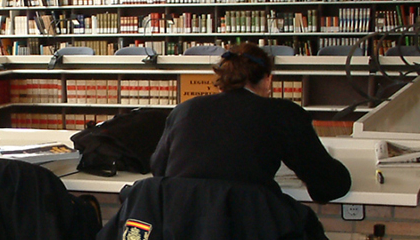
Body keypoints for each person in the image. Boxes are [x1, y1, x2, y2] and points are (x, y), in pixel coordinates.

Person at [150, 42, 351, 203]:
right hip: (252, 237)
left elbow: (159, 170)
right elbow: (330, 186)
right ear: (267, 80)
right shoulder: (283, 114)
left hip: (182, 234)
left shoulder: (185, 110)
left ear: (221, 78)